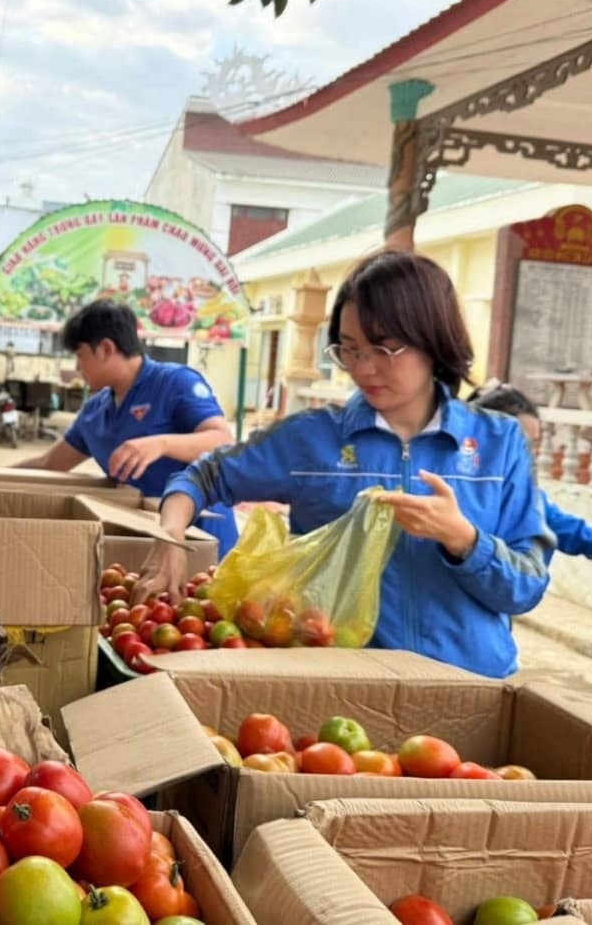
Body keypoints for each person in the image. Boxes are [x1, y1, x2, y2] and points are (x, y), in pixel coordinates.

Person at [137, 251, 554, 679]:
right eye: (349, 350)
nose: (363, 368)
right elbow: (204, 475)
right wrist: (170, 534)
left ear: (433, 339)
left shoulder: (500, 444)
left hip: (470, 691)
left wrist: (465, 540)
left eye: (384, 349)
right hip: (341, 690)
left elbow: (527, 587)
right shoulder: (313, 440)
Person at [18, 301, 239, 554]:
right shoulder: (94, 412)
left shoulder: (174, 383)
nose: (78, 368)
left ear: (105, 348)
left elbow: (223, 441)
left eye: (80, 355)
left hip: (202, 544)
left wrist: (161, 444)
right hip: (143, 544)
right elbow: (48, 464)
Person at [469, 382, 592, 577]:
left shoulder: (524, 493)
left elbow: (565, 528)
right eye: (520, 443)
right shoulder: (452, 488)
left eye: (534, 445)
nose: (530, 455)